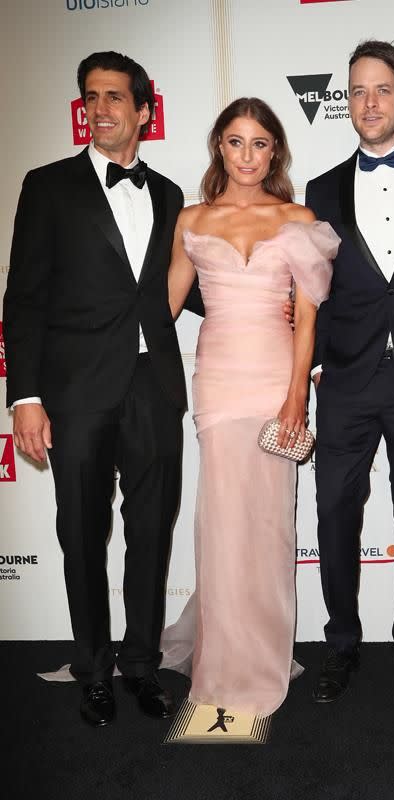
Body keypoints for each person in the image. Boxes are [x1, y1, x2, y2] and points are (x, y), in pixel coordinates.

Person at [2, 51, 206, 727]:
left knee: (152, 533)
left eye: (116, 97)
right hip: (76, 390)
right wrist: (23, 396)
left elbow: (186, 287)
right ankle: (93, 669)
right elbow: (24, 298)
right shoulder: (47, 186)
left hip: (155, 387)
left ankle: (142, 666)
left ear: (144, 111)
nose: (101, 109)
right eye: (92, 96)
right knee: (82, 534)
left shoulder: (171, 194)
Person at [163, 97, 339, 716]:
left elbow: (308, 320)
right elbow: (162, 313)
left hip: (272, 380)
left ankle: (262, 654)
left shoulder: (298, 218)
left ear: (275, 151)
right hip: (216, 381)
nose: (246, 155)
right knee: (220, 523)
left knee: (268, 524)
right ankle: (220, 658)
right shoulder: (191, 220)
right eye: (235, 142)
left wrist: (297, 397)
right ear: (219, 146)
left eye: (259, 143)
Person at [305, 40, 394, 702]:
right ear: (347, 103)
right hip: (346, 381)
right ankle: (340, 644)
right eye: (358, 91)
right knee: (336, 514)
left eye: (382, 89)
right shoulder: (321, 188)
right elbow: (315, 288)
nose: (369, 101)